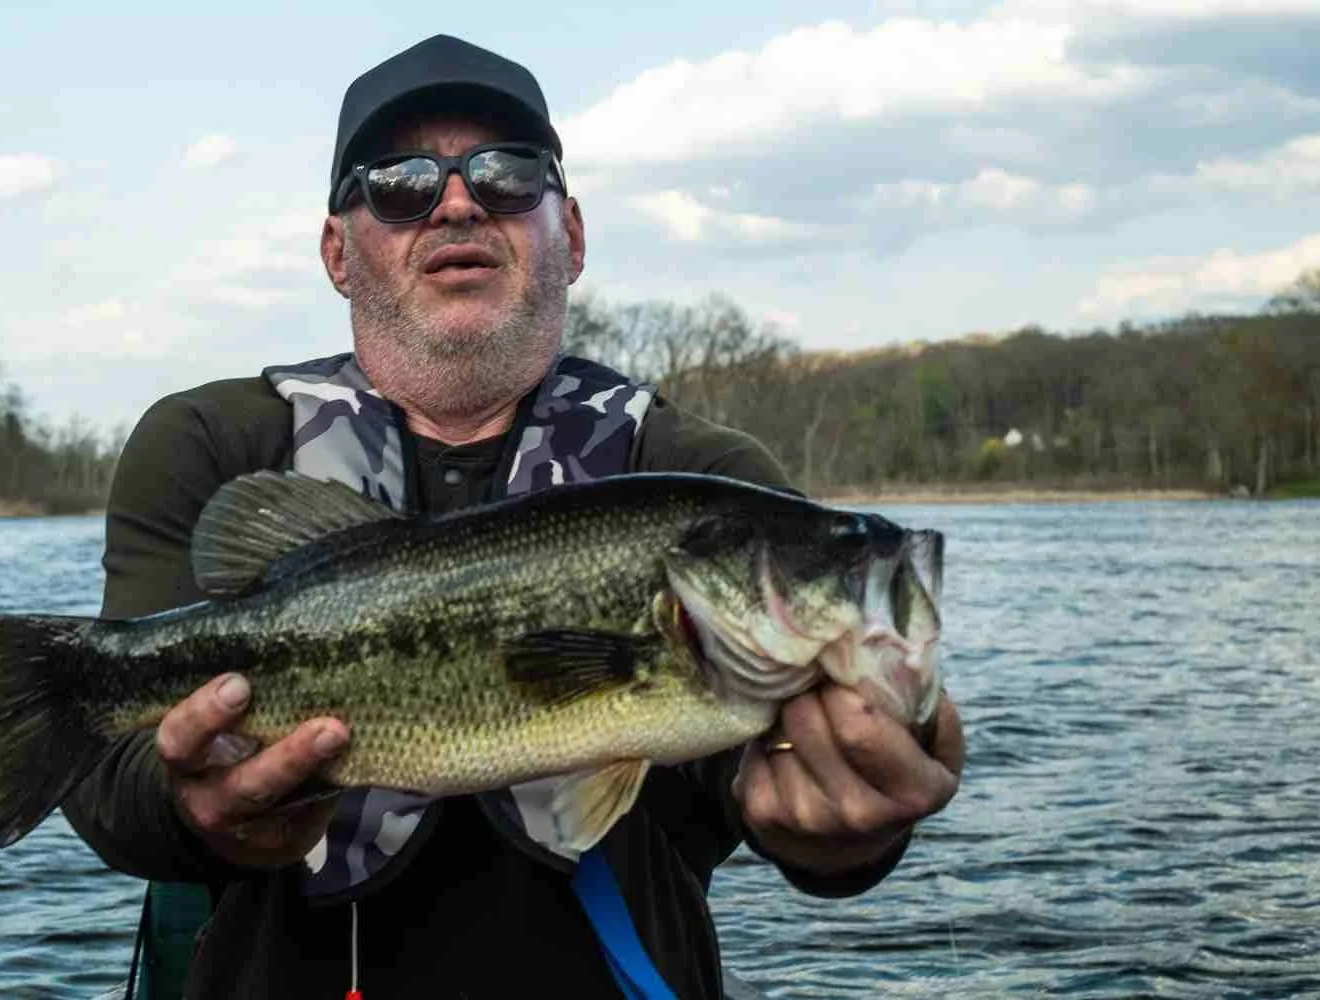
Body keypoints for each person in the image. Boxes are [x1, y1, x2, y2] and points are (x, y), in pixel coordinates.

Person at [62, 33, 965, 1000]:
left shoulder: (701, 475)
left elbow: (773, 788)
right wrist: (192, 806)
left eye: (506, 174)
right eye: (402, 182)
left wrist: (847, 832)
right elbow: (106, 780)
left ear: (569, 234)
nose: (456, 201)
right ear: (336, 250)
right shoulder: (210, 443)